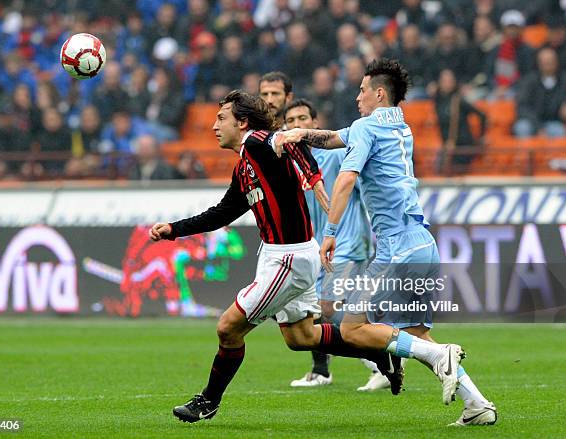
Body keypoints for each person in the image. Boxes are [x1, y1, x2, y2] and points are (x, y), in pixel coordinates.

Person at [149, 90, 402, 423]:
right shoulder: (244, 168)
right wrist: (174, 229)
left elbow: (286, 141)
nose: (213, 126)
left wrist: (313, 179)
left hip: (289, 259)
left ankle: (208, 401)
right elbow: (222, 213)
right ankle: (378, 349)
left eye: (221, 118)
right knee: (302, 338)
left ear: (242, 122)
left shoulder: (258, 142)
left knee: (228, 328)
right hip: (279, 254)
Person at [276, 58, 497, 426]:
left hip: (396, 247)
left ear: (379, 93)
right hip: (423, 244)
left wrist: (329, 233)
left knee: (352, 327)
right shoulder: (400, 126)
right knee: (416, 334)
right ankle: (477, 405)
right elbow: (332, 138)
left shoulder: (366, 127)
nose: (357, 96)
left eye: (362, 90)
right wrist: (302, 135)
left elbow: (345, 180)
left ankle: (440, 355)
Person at [283, 98, 377, 389]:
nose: (297, 124)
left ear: (315, 124)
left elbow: (360, 185)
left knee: (327, 308)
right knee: (317, 311)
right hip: (315, 246)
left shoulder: (335, 156)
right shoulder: (289, 161)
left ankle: (378, 361)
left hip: (347, 241)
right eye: (292, 120)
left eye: (303, 119)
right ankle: (321, 371)